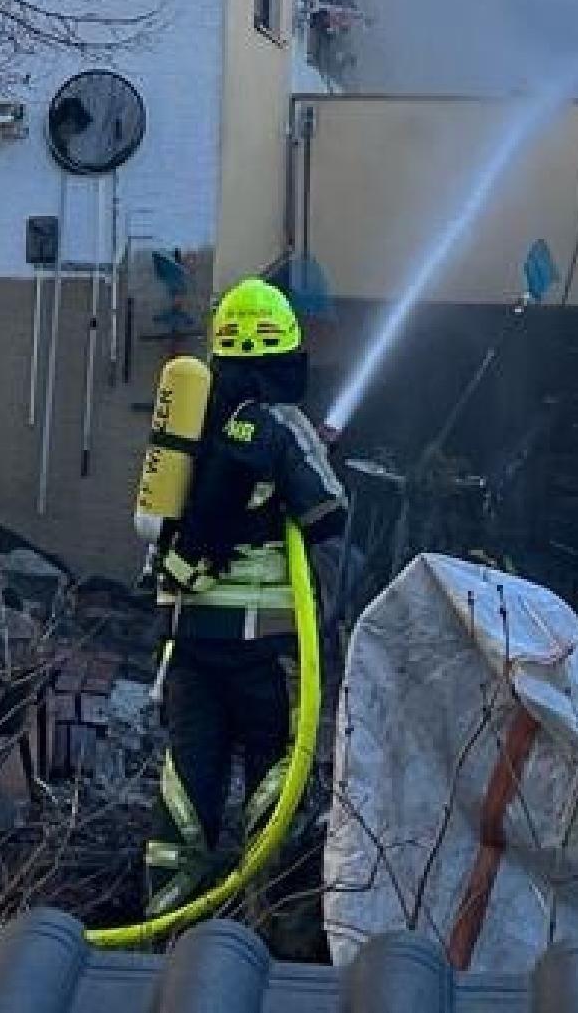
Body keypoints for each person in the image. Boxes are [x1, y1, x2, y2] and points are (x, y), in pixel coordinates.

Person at [145, 277, 349, 918]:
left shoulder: (187, 417)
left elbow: (162, 520)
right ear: (287, 352)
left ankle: (169, 926)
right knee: (278, 783)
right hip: (266, 650)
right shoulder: (280, 424)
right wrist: (307, 456)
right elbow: (326, 517)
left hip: (189, 646)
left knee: (187, 783)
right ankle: (266, 930)